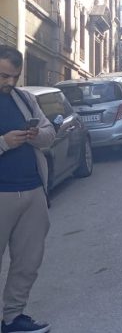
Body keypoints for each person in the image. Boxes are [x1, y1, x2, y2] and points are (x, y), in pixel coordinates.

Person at [0, 45, 55, 333]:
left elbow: (49, 134)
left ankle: (12, 318)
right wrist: (4, 142)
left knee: (28, 262)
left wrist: (35, 136)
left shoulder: (25, 99)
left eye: (14, 77)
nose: (10, 83)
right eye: (4, 76)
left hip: (33, 192)